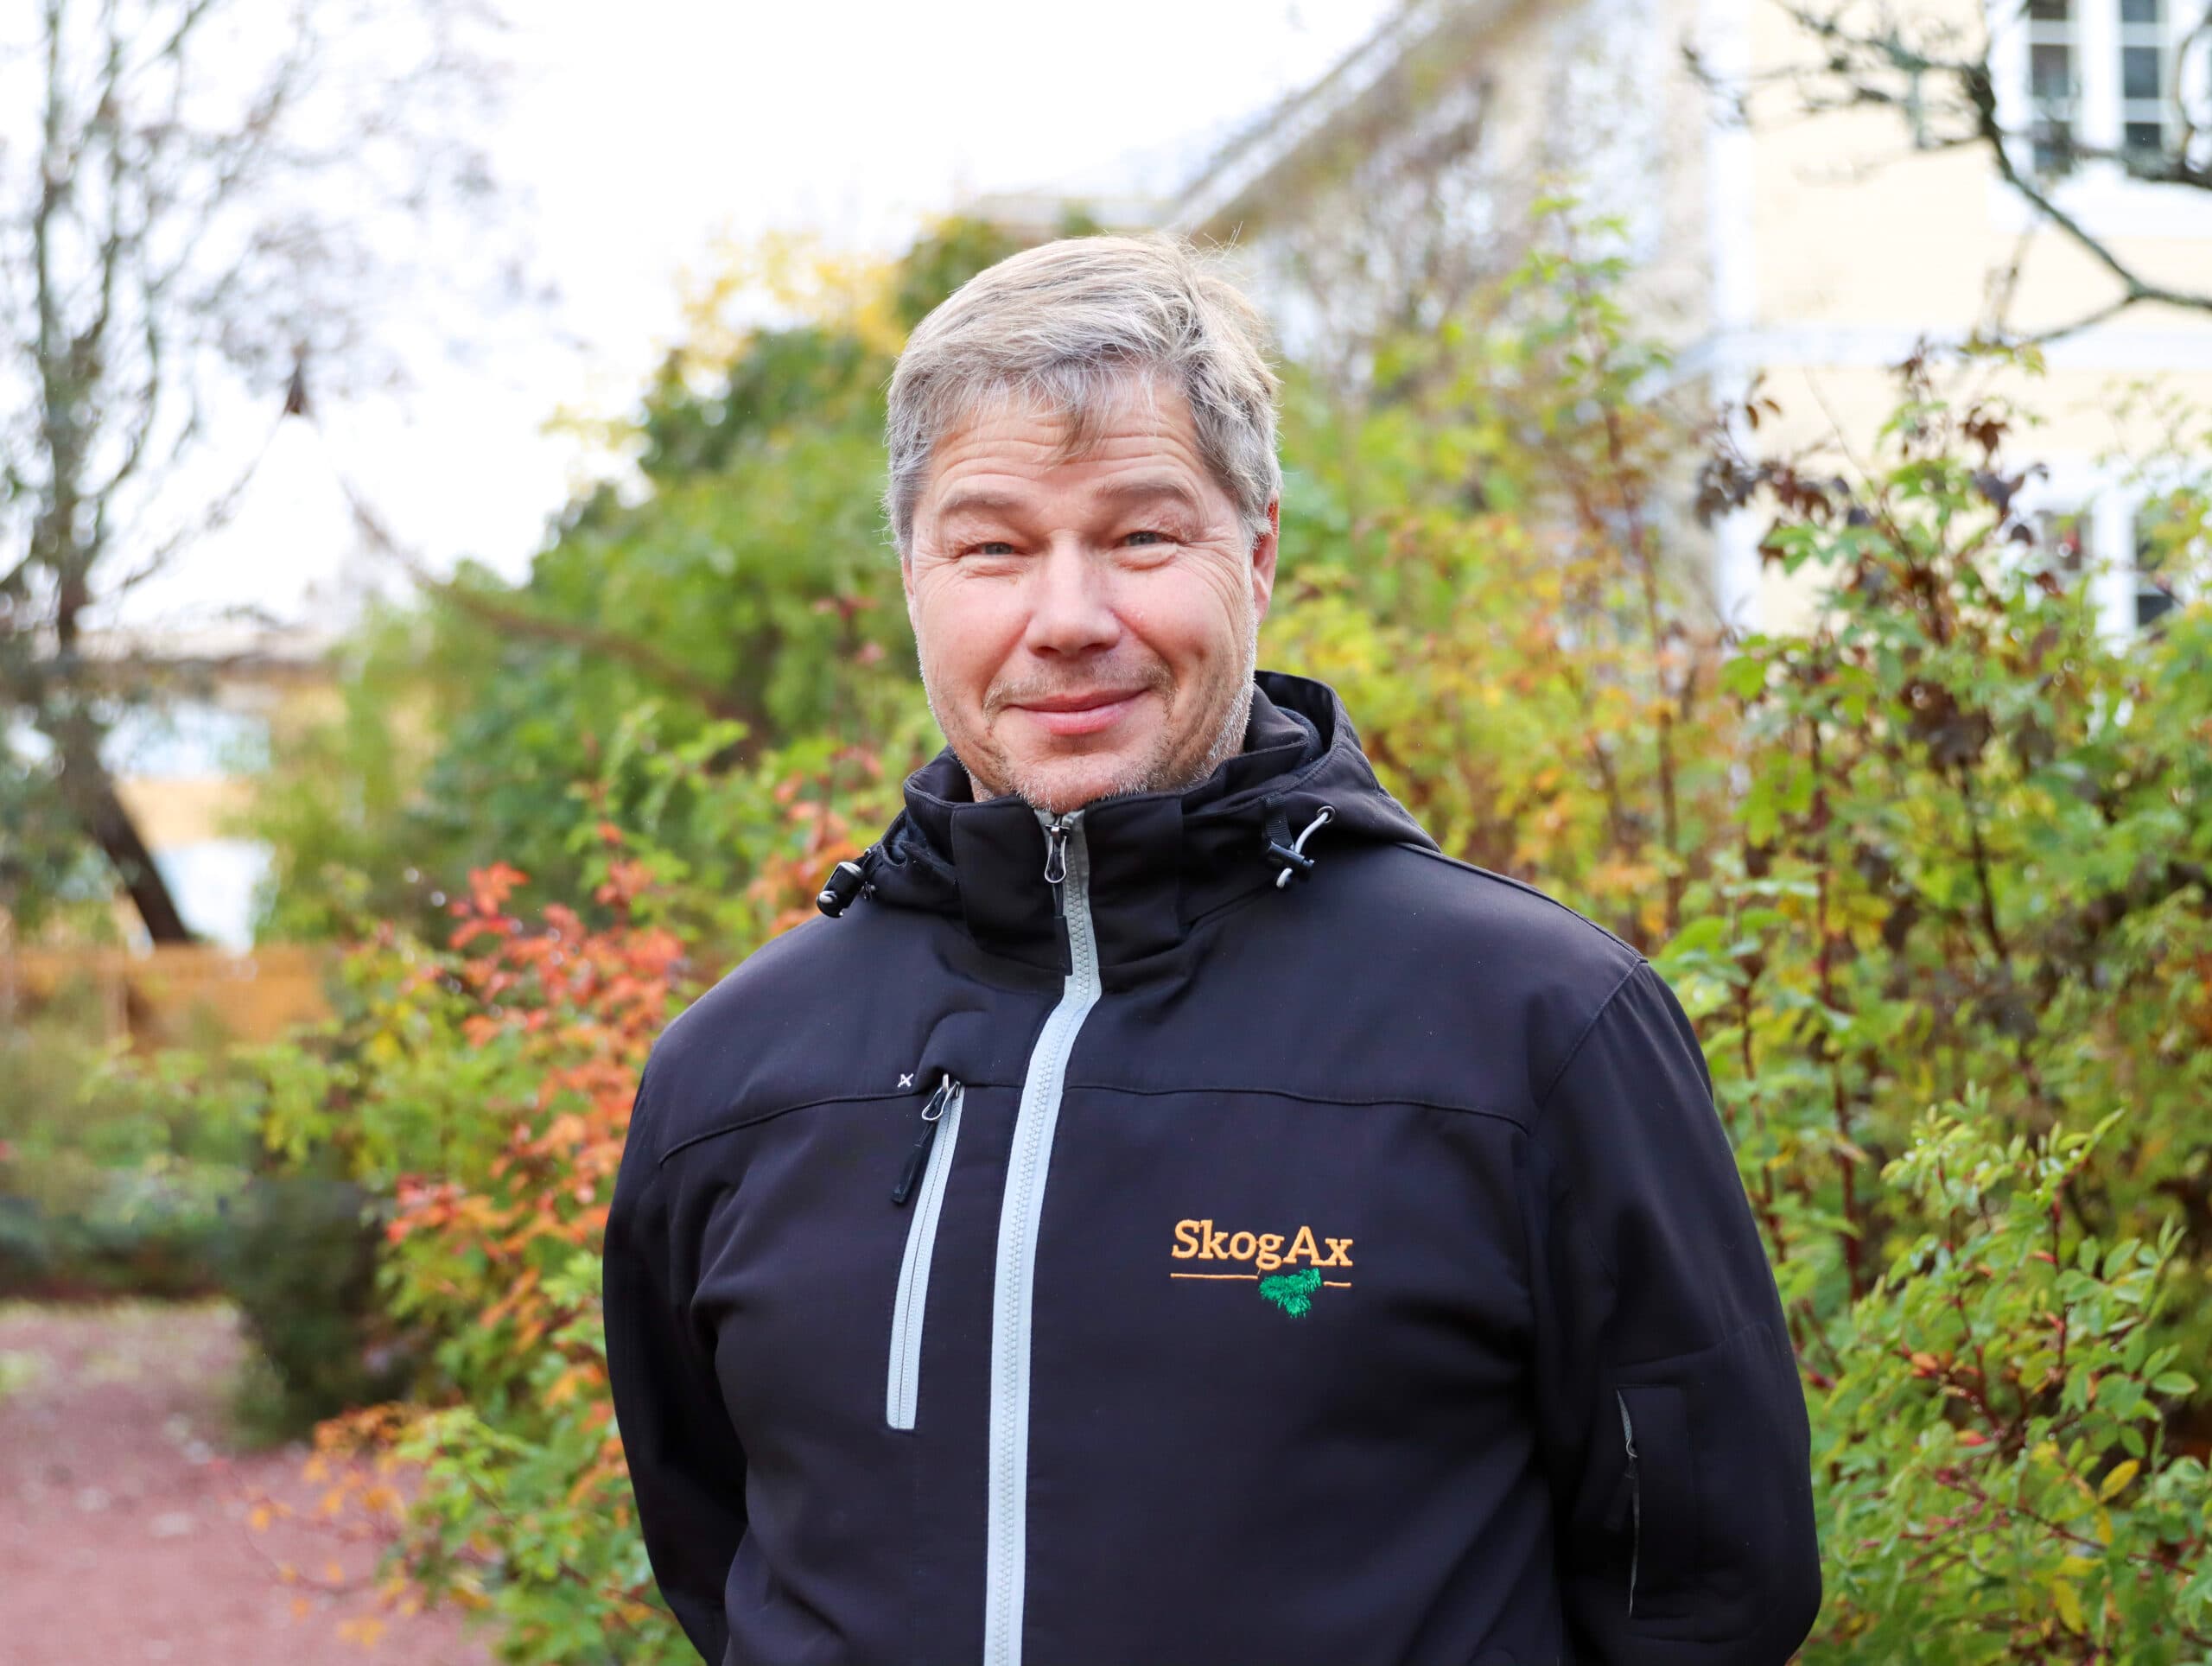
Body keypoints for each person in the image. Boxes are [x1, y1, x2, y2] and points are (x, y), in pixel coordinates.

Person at [602, 232, 1821, 1666]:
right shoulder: (732, 1078)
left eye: (1140, 537)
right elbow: (722, 1554)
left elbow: (1706, 1593)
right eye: (993, 547)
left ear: (1257, 551)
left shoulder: (1537, 1030)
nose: (1067, 621)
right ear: (914, 575)